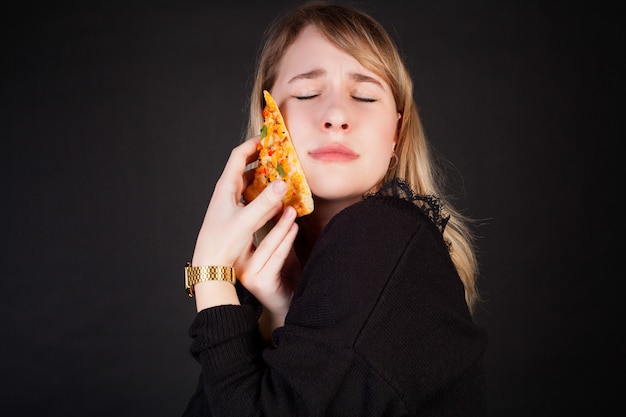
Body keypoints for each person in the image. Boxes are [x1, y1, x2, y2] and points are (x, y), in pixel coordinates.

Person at [182, 1, 487, 415]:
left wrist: (211, 272)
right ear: (270, 120)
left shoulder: (382, 233)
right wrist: (283, 313)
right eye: (307, 92)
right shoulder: (311, 283)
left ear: (396, 132)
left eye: (364, 95)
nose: (338, 115)